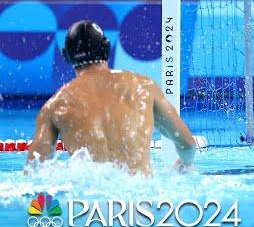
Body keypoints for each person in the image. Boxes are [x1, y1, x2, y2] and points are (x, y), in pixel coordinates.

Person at [26, 20, 196, 175]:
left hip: (88, 204)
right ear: (106, 48)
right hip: (140, 198)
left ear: (66, 56)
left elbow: (33, 172)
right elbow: (187, 144)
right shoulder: (143, 87)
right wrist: (184, 164)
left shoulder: (55, 106)